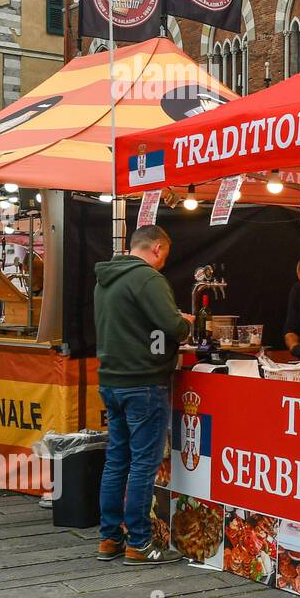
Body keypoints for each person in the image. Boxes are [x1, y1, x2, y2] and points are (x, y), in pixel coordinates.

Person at [95, 225, 192, 565]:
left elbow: (134, 325)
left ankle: (109, 539)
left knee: (117, 461)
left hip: (111, 380)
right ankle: (140, 543)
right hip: (144, 382)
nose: (165, 261)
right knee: (142, 465)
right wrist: (185, 321)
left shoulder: (105, 278)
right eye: (165, 253)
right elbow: (173, 327)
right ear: (157, 248)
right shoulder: (147, 279)